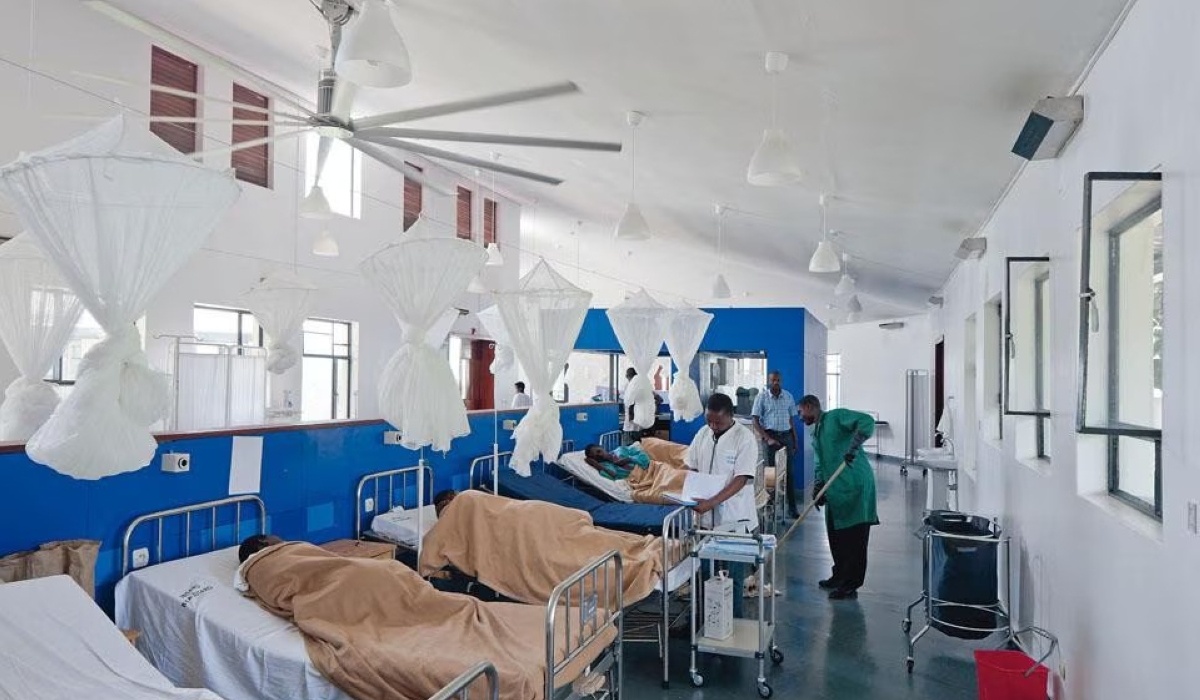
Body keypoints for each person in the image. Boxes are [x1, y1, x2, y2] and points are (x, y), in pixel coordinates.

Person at [685, 392, 759, 617]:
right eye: (709, 420)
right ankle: (704, 623)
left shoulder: (744, 438)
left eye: (718, 421)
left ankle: (732, 624)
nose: (713, 426)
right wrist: (692, 492)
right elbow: (692, 465)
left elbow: (741, 479)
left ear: (731, 416)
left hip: (734, 520)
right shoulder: (702, 434)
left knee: (732, 578)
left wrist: (712, 502)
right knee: (705, 575)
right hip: (705, 520)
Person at [799, 394, 878, 600]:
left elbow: (867, 421)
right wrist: (818, 486)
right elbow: (820, 462)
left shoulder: (836, 417)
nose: (800, 418)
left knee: (855, 539)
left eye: (801, 412)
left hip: (855, 486)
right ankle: (839, 575)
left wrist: (854, 445)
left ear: (809, 406)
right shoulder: (815, 432)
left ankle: (851, 584)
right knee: (836, 536)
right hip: (835, 489)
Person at [751, 370, 800, 518]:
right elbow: (755, 420)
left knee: (789, 473)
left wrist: (795, 441)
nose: (775, 383)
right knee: (770, 474)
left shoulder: (788, 396)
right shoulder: (762, 397)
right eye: (773, 380)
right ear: (768, 381)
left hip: (786, 436)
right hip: (769, 436)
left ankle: (792, 507)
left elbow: (792, 421)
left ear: (781, 381)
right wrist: (767, 438)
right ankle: (770, 507)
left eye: (778, 380)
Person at [583, 443, 650, 480]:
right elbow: (613, 475)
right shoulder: (606, 465)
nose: (600, 455)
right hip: (642, 478)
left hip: (651, 469)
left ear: (602, 447)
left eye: (599, 451)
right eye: (597, 456)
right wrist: (596, 464)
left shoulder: (621, 450)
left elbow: (644, 456)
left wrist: (628, 459)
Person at [621, 367, 639, 446]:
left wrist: (630, 418)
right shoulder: (640, 385)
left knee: (628, 447)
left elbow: (630, 403)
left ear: (627, 376)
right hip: (638, 423)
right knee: (637, 446)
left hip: (631, 423)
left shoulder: (629, 386)